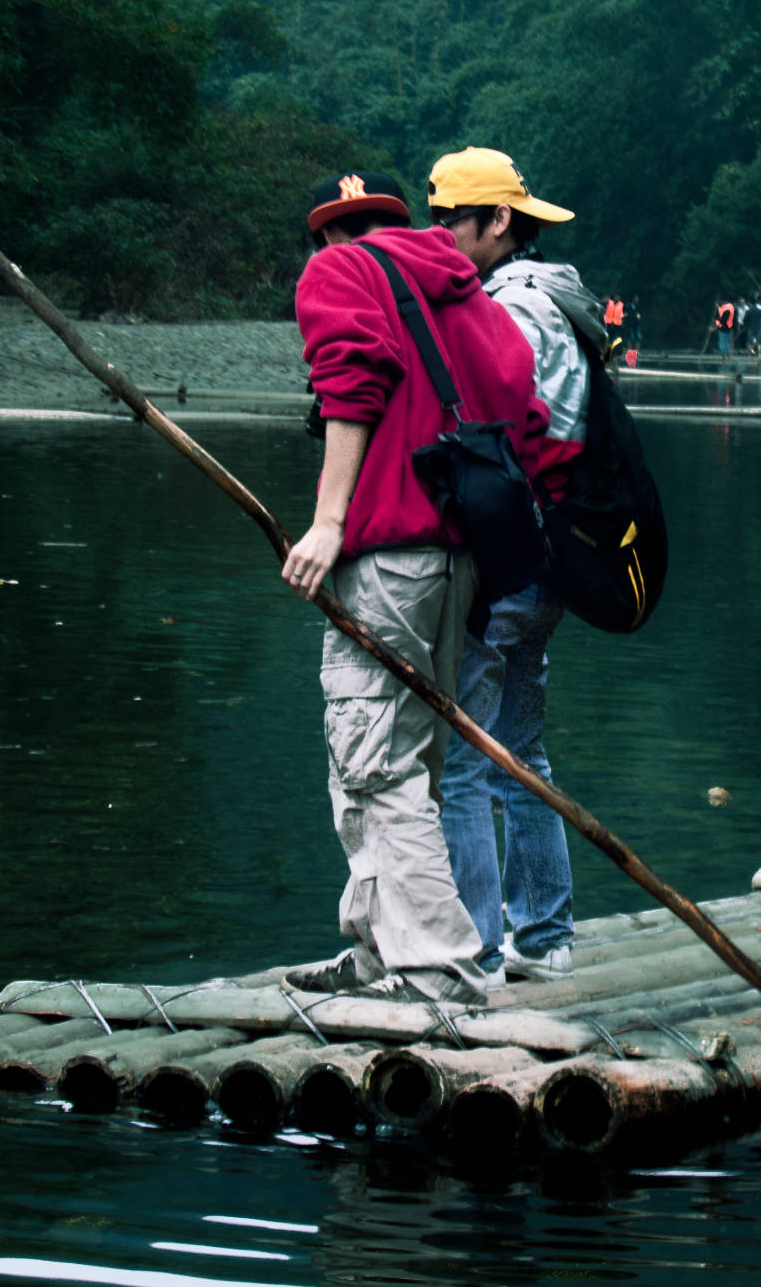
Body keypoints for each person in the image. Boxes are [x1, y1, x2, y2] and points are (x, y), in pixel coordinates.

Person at [280, 169, 549, 1005]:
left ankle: (436, 964)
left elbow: (349, 387)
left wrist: (328, 522)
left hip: (386, 559)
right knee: (402, 765)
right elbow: (522, 415)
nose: (340, 240)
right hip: (459, 567)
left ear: (328, 235)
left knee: (376, 764)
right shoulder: (469, 296)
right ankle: (374, 948)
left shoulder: (339, 272)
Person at [427, 145, 603, 986]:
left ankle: (477, 952)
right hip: (548, 559)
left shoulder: (510, 310)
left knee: (463, 756)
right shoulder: (560, 303)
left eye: (451, 219)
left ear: (499, 221)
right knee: (519, 749)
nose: (438, 234)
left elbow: (499, 430)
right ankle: (544, 937)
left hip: (504, 559)